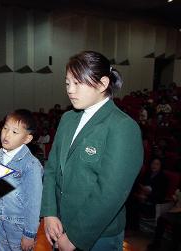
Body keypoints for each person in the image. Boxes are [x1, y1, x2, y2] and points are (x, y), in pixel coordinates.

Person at [40, 51, 143, 251]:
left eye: (78, 83)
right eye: (68, 83)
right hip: (59, 226)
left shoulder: (122, 126)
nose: (70, 90)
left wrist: (75, 237)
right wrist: (50, 213)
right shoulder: (68, 119)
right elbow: (52, 169)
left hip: (96, 235)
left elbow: (111, 192)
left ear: (103, 84)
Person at [0, 109, 44, 251]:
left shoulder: (31, 165)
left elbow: (34, 203)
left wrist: (29, 234)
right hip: (1, 221)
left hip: (19, 225)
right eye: (5, 128)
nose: (6, 135)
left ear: (27, 139)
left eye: (14, 132)